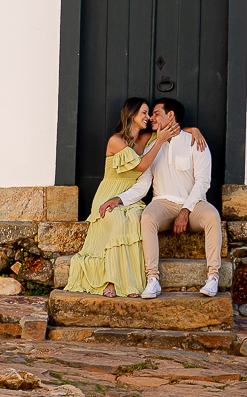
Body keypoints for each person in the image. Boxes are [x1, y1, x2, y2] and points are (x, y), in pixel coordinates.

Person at [65, 97, 205, 298]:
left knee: (135, 218)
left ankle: (128, 282)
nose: (148, 117)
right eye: (144, 113)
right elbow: (141, 166)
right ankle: (111, 280)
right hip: (110, 193)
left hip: (131, 195)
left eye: (150, 113)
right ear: (131, 115)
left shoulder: (146, 137)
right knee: (117, 219)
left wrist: (194, 130)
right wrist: (160, 141)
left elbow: (173, 129)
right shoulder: (116, 141)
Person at [99, 98, 222, 300]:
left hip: (193, 204)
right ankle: (152, 279)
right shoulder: (151, 147)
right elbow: (142, 185)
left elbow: (203, 182)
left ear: (170, 115)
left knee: (212, 216)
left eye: (156, 113)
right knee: (147, 217)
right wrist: (118, 199)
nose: (151, 118)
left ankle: (213, 277)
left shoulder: (195, 142)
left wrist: (186, 210)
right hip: (162, 203)